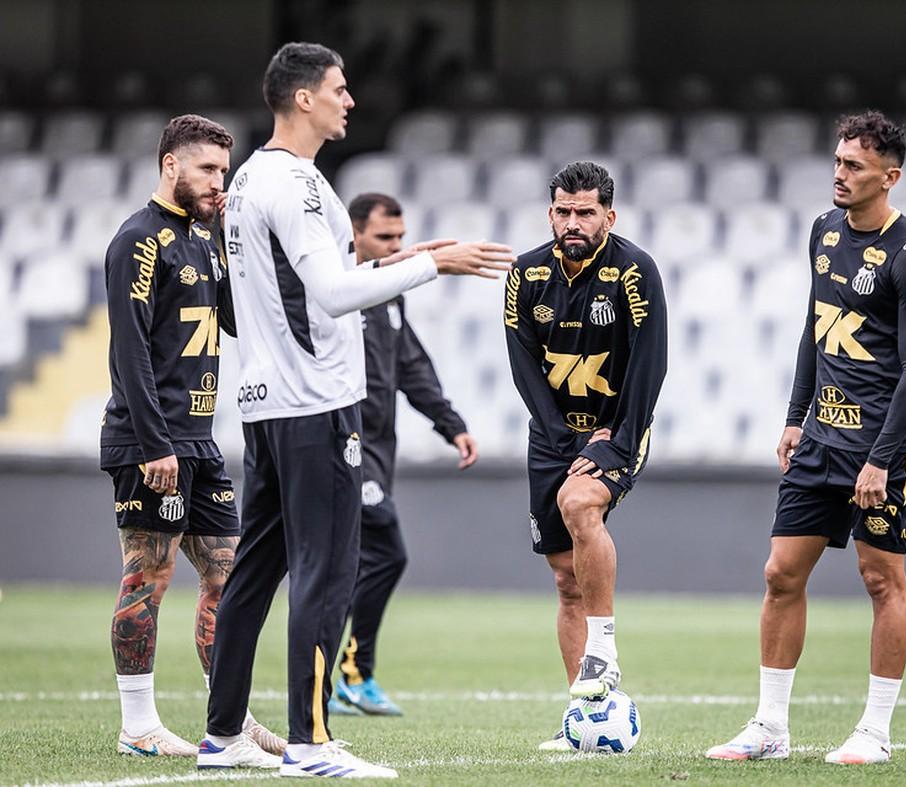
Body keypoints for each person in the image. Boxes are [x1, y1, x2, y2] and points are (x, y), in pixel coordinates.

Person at [198, 43, 513, 779]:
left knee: (256, 571)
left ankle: (221, 734)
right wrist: (433, 265)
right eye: (339, 89)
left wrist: (396, 261)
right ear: (303, 98)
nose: (351, 100)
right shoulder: (301, 185)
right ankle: (309, 743)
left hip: (266, 403)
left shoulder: (247, 181)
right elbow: (332, 298)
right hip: (316, 404)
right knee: (327, 568)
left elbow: (306, 286)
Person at [706, 110, 906, 765]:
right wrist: (793, 415)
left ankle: (875, 731)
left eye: (855, 167)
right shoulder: (823, 231)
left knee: (880, 578)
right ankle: (770, 728)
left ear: (889, 177)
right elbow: (817, 327)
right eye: (838, 162)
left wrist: (881, 459)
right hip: (820, 440)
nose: (839, 175)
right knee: (780, 574)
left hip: (885, 446)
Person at [101, 114, 284, 758]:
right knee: (146, 576)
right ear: (170, 165)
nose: (217, 182)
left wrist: (236, 234)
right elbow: (130, 351)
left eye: (223, 172)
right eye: (207, 170)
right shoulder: (138, 241)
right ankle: (139, 725)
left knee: (227, 577)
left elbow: (237, 318)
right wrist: (155, 445)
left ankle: (228, 721)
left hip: (201, 442)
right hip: (152, 442)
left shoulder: (204, 241)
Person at [503, 161, 667, 750]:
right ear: (551, 213)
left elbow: (652, 361)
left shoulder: (633, 270)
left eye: (586, 212)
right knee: (563, 580)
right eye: (564, 212)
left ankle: (603, 650)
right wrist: (555, 435)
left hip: (616, 428)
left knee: (579, 504)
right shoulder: (524, 275)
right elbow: (523, 363)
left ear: (609, 216)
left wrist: (618, 437)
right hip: (552, 434)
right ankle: (585, 725)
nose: (573, 222)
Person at [331, 193, 478, 717]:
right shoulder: (338, 290)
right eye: (385, 239)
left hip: (378, 448)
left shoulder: (389, 295)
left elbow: (411, 366)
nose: (397, 247)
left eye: (400, 237)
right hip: (340, 441)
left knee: (350, 562)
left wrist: (451, 425)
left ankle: (333, 677)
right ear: (353, 235)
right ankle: (350, 672)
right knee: (387, 552)